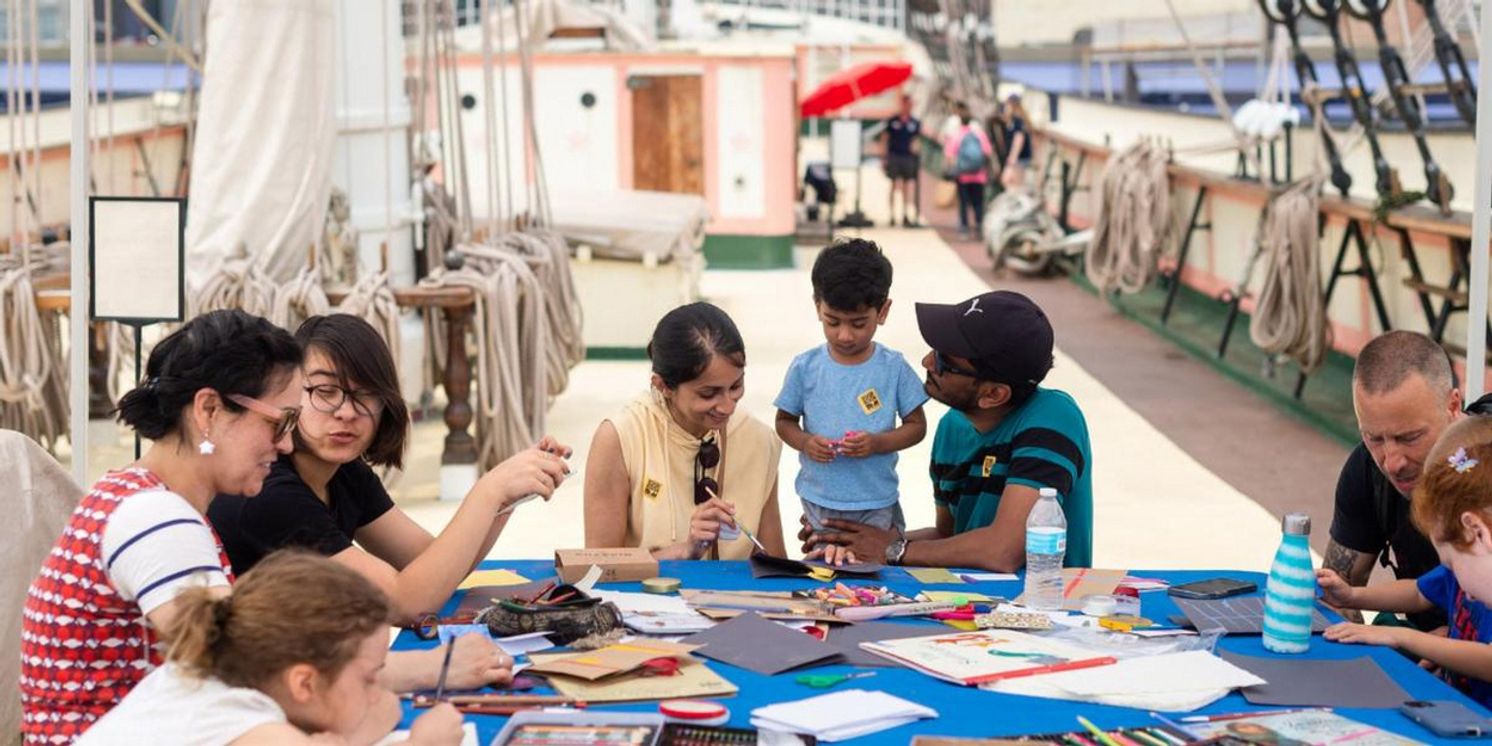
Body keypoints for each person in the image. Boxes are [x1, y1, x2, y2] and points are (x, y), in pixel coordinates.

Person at [20, 310, 506, 744]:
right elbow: (246, 672)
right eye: (278, 422)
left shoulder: (145, 499)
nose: (288, 445)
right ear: (209, 410)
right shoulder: (158, 520)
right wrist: (431, 674)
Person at [210, 314, 572, 624]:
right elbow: (405, 602)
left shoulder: (345, 473)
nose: (347, 412)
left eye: (365, 394)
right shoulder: (272, 494)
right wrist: (489, 489)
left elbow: (434, 565)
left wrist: (509, 495)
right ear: (291, 395)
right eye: (325, 390)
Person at [808, 291, 1093, 572]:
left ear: (993, 394)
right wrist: (849, 540)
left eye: (944, 362)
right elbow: (950, 537)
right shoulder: (952, 426)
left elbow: (1003, 551)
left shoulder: (1054, 417)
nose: (927, 362)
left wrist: (894, 550)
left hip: (1041, 608)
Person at [78, 551, 465, 745]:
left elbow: (384, 709)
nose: (377, 689)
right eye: (368, 677)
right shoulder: (231, 717)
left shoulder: (208, 673)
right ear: (303, 684)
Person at [585, 302, 786, 560]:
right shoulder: (620, 438)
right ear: (663, 385)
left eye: (736, 386)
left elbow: (776, 567)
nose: (727, 406)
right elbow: (597, 568)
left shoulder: (759, 440)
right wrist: (684, 550)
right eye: (708, 393)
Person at [1320, 416, 1492, 708]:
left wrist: (1402, 637)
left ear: (1477, 532)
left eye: (1452, 563)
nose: (1452, 575)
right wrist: (1352, 596)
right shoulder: (1470, 573)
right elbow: (1419, 591)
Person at [775, 239, 928, 554]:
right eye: (832, 322)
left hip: (877, 501)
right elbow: (784, 421)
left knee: (872, 570)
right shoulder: (806, 367)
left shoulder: (893, 367)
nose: (844, 335)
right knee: (825, 570)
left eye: (859, 324)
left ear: (882, 311)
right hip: (819, 501)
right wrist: (805, 442)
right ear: (817, 305)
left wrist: (877, 443)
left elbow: (917, 426)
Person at [1324, 331, 1459, 630]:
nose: (1392, 463)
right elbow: (1338, 596)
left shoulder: (1483, 471)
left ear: (1453, 407)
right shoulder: (1366, 471)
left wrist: (1458, 641)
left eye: (1409, 437)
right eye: (1374, 438)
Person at [942, 101, 993, 240]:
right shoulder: (979, 135)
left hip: (963, 176)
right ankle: (979, 227)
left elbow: (949, 155)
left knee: (963, 203)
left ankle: (964, 229)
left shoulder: (957, 136)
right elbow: (987, 152)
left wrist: (956, 169)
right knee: (978, 203)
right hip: (979, 176)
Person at [879, 93, 922, 228]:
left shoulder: (915, 123)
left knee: (905, 187)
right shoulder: (892, 121)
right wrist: (884, 157)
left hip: (907, 157)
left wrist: (916, 150)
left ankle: (904, 214)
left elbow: (917, 140)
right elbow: (884, 138)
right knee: (893, 185)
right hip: (894, 156)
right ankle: (892, 215)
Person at [1000, 93, 1033, 191]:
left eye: (1007, 105)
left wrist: (1012, 159)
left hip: (1019, 158)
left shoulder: (1017, 121)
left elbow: (1018, 139)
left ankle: (1017, 202)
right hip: (1019, 158)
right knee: (1014, 182)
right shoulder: (1013, 121)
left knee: (1011, 181)